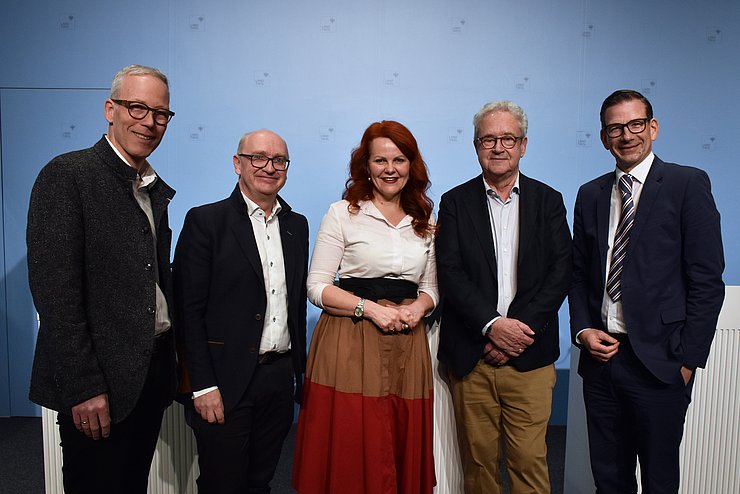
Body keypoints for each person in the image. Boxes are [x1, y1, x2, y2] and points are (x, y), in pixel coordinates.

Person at [27, 64, 177, 494]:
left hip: (147, 374)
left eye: (161, 113)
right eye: (137, 107)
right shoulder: (68, 175)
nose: (149, 122)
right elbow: (56, 296)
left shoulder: (148, 187)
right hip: (98, 384)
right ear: (110, 109)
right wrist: (84, 386)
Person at [569, 89, 725, 494]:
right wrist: (584, 330)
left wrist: (688, 362)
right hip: (601, 363)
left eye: (635, 124)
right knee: (609, 479)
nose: (627, 135)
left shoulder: (686, 184)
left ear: (652, 127)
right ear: (604, 137)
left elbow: (707, 280)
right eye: (615, 128)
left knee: (659, 481)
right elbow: (578, 274)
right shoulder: (590, 193)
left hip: (661, 364)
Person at [292, 120, 438, 494]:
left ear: (412, 166)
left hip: (408, 344)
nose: (390, 169)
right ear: (366, 167)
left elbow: (431, 288)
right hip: (351, 339)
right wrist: (371, 310)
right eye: (380, 160)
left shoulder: (425, 221)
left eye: (400, 160)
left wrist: (419, 308)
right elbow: (317, 286)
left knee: (398, 438)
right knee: (354, 439)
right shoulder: (343, 213)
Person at [436, 101, 572, 494]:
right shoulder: (455, 202)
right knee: (477, 466)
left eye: (508, 138)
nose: (498, 147)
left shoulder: (549, 200)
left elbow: (560, 272)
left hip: (529, 356)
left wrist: (517, 331)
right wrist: (493, 327)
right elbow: (451, 273)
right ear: (476, 146)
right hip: (472, 356)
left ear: (523, 144)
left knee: (529, 463)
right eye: (489, 139)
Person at [173, 129, 308, 493]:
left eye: (279, 160)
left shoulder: (297, 226)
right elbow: (188, 310)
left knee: (260, 481)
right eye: (258, 158)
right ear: (238, 163)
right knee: (223, 483)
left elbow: (293, 305)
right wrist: (202, 386)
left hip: (278, 379)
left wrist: (300, 376)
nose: (269, 167)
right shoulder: (206, 221)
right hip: (223, 380)